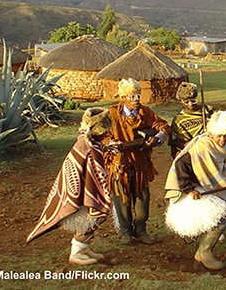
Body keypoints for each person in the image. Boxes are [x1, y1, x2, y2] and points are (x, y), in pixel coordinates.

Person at [165, 111, 226, 270]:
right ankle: (205, 251)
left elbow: (219, 172)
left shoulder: (219, 149)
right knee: (223, 215)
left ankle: (200, 252)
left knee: (220, 213)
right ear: (211, 134)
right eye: (219, 136)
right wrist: (189, 189)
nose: (222, 139)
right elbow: (181, 163)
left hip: (203, 187)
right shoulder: (202, 147)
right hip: (189, 191)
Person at [26, 108, 112, 266]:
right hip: (82, 193)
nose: (109, 134)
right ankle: (77, 252)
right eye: (106, 131)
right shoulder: (86, 145)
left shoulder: (90, 143)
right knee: (94, 216)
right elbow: (90, 170)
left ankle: (83, 248)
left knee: (94, 217)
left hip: (85, 191)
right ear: (99, 131)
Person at [105, 78, 170, 245]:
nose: (136, 100)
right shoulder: (112, 114)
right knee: (122, 200)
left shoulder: (145, 113)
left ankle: (140, 229)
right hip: (120, 165)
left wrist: (156, 138)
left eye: (138, 96)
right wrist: (112, 144)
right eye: (132, 96)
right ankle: (126, 232)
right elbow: (101, 136)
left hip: (140, 164)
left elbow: (163, 126)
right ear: (124, 97)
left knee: (142, 200)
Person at [168, 82, 213, 158]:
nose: (190, 104)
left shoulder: (206, 110)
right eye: (186, 102)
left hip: (210, 150)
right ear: (181, 102)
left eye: (193, 101)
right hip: (191, 153)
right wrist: (191, 145)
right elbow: (174, 142)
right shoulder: (178, 120)